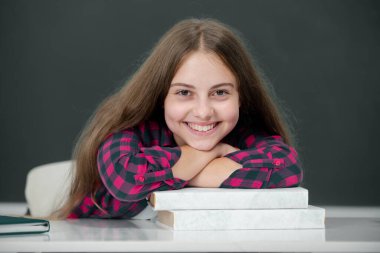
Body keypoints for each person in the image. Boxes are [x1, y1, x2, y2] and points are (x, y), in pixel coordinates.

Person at [56, 18, 303, 219]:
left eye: (220, 92)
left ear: (241, 97)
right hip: (63, 207)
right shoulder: (132, 130)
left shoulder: (244, 132)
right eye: (184, 92)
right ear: (161, 96)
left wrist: (186, 170)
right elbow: (126, 178)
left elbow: (288, 168)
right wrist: (210, 154)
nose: (204, 112)